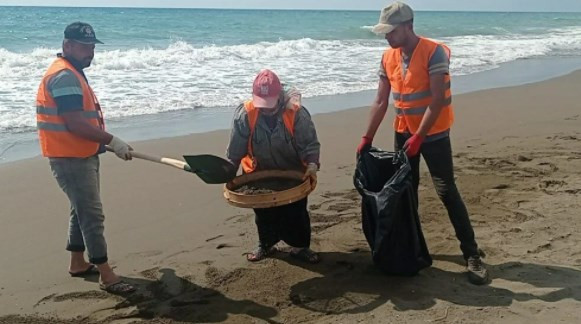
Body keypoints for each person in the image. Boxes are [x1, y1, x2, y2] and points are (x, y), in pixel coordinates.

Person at [357, 2, 489, 285]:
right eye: (384, 32)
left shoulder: (433, 52)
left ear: (409, 26)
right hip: (404, 133)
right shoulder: (388, 57)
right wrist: (367, 136)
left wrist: (421, 137)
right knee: (406, 192)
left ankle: (472, 253)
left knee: (446, 190)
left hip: (434, 134)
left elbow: (438, 99)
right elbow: (381, 101)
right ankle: (413, 248)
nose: (387, 37)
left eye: (391, 31)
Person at [36, 22, 136, 294]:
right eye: (84, 47)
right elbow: (75, 125)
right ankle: (106, 274)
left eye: (92, 47)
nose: (90, 52)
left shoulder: (72, 71)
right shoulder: (65, 76)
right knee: (92, 215)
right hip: (70, 159)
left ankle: (78, 263)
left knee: (79, 209)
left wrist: (103, 146)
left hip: (81, 153)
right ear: (67, 45)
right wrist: (112, 141)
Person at [227, 69, 321, 264]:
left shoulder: (296, 112)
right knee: (263, 212)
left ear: (280, 97)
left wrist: (312, 164)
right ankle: (266, 244)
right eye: (262, 105)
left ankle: (300, 246)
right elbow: (236, 148)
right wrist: (229, 171)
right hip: (258, 171)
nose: (266, 109)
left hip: (293, 170)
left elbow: (309, 143)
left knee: (296, 211)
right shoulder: (245, 114)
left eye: (270, 105)